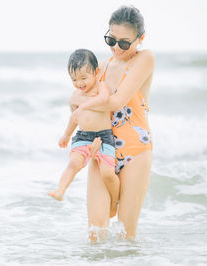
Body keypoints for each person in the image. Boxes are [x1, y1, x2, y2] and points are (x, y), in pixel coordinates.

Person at [70, 6, 154, 241]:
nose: (116, 48)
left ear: (140, 39)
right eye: (111, 40)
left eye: (124, 43)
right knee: (95, 232)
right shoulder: (102, 67)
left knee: (126, 236)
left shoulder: (145, 58)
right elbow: (76, 100)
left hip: (135, 152)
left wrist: (83, 103)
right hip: (101, 147)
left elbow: (116, 101)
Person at [47, 49, 120, 218]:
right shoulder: (75, 95)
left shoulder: (101, 87)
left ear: (96, 72)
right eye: (74, 79)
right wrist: (66, 134)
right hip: (83, 136)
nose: (79, 83)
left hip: (104, 137)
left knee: (107, 173)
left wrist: (84, 105)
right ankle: (60, 190)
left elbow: (103, 100)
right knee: (73, 163)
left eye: (83, 78)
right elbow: (74, 118)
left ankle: (115, 201)